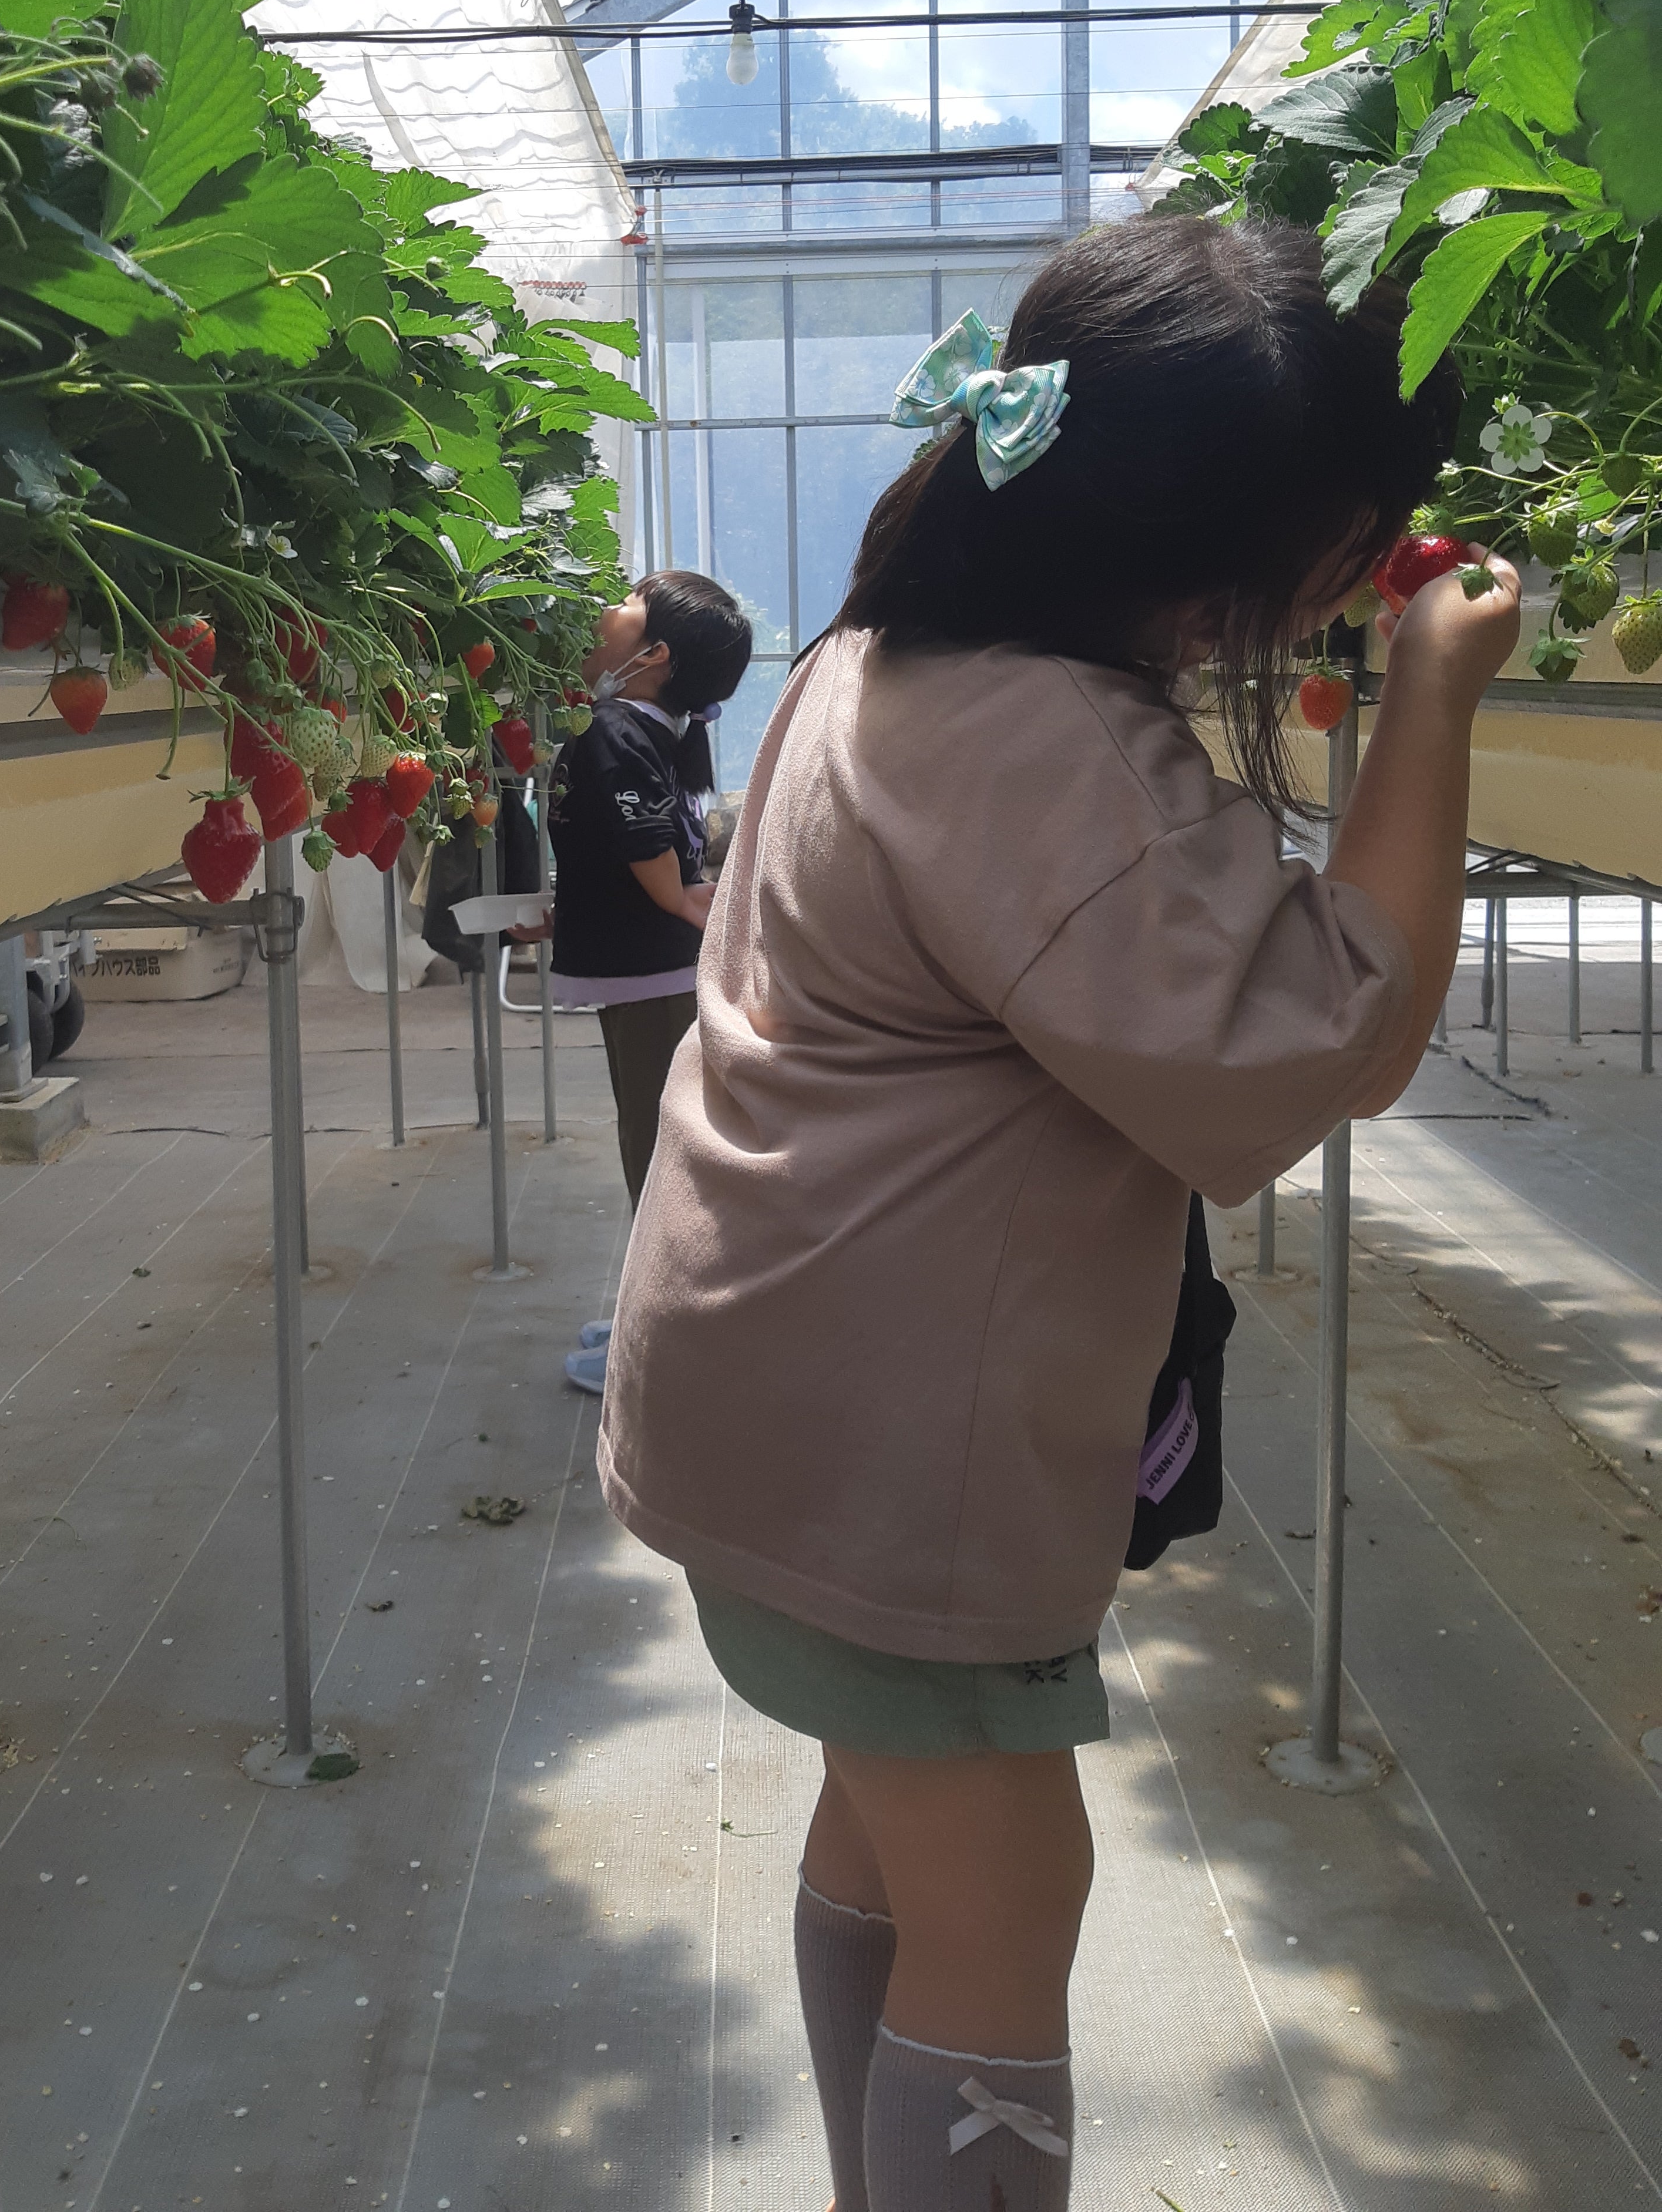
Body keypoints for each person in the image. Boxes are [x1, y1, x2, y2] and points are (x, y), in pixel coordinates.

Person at [596, 218, 1522, 2211]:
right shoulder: (1050, 748)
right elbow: (1329, 1033)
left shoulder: (875, 650)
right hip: (885, 1444)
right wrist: (1430, 699)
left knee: (895, 1831)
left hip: (767, 1379)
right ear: (1283, 555)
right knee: (1007, 1903)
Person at [548, 570, 752, 1394]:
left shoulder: (613, 730)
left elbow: (647, 848)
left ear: (655, 655)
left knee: (656, 1156)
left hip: (654, 975)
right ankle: (651, 1311)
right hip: (653, 972)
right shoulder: (644, 728)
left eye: (627, 601)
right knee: (659, 1144)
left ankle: (663, 1349)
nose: (607, 608)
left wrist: (681, 895)